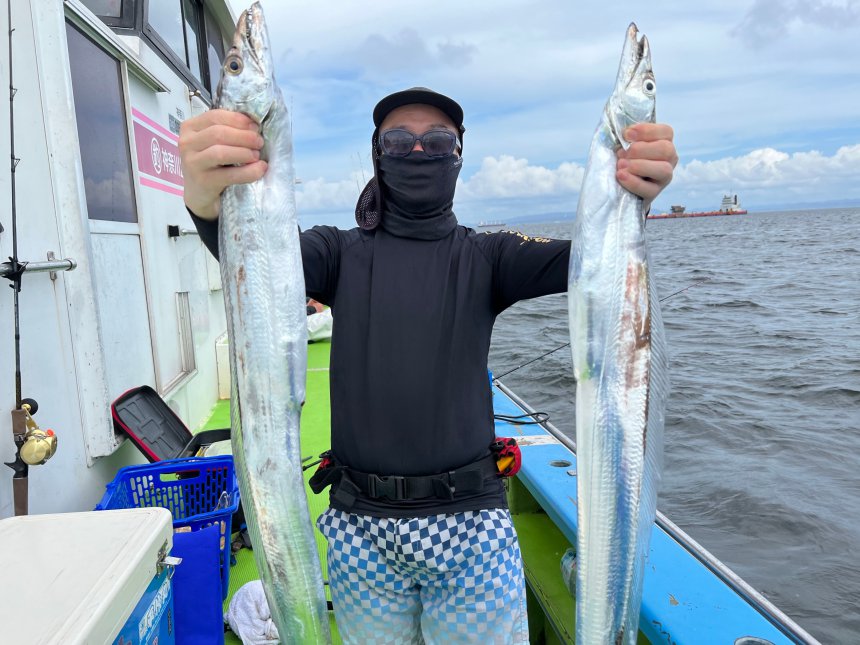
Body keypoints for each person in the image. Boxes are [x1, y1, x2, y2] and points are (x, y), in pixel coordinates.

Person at [179, 87, 677, 644]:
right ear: (378, 154)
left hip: (472, 528)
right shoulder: (337, 252)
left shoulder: (490, 256)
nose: (418, 152)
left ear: (458, 156)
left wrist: (631, 195)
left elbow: (593, 258)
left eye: (437, 141)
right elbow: (255, 253)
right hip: (360, 529)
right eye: (399, 140)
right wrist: (205, 202)